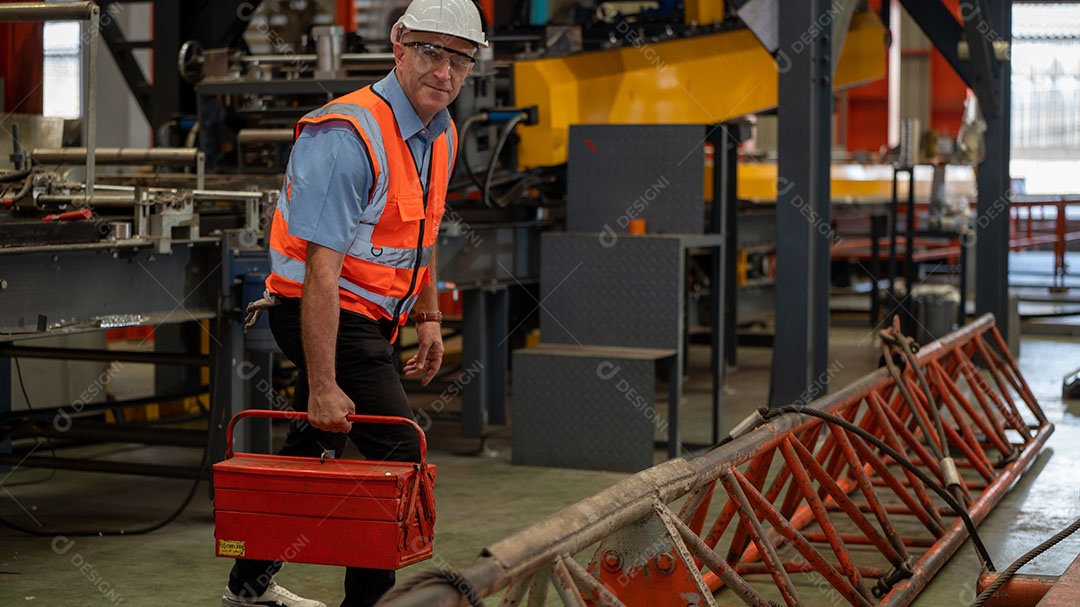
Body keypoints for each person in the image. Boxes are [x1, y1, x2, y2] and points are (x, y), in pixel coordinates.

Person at [222, 1, 487, 605]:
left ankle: (247, 588)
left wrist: (427, 315)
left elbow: (422, 233)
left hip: (374, 318)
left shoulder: (439, 131)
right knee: (398, 449)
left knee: (317, 443)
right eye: (430, 52)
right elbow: (322, 269)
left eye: (459, 60)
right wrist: (320, 382)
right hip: (320, 311)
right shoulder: (347, 135)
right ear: (398, 47)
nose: (443, 72)